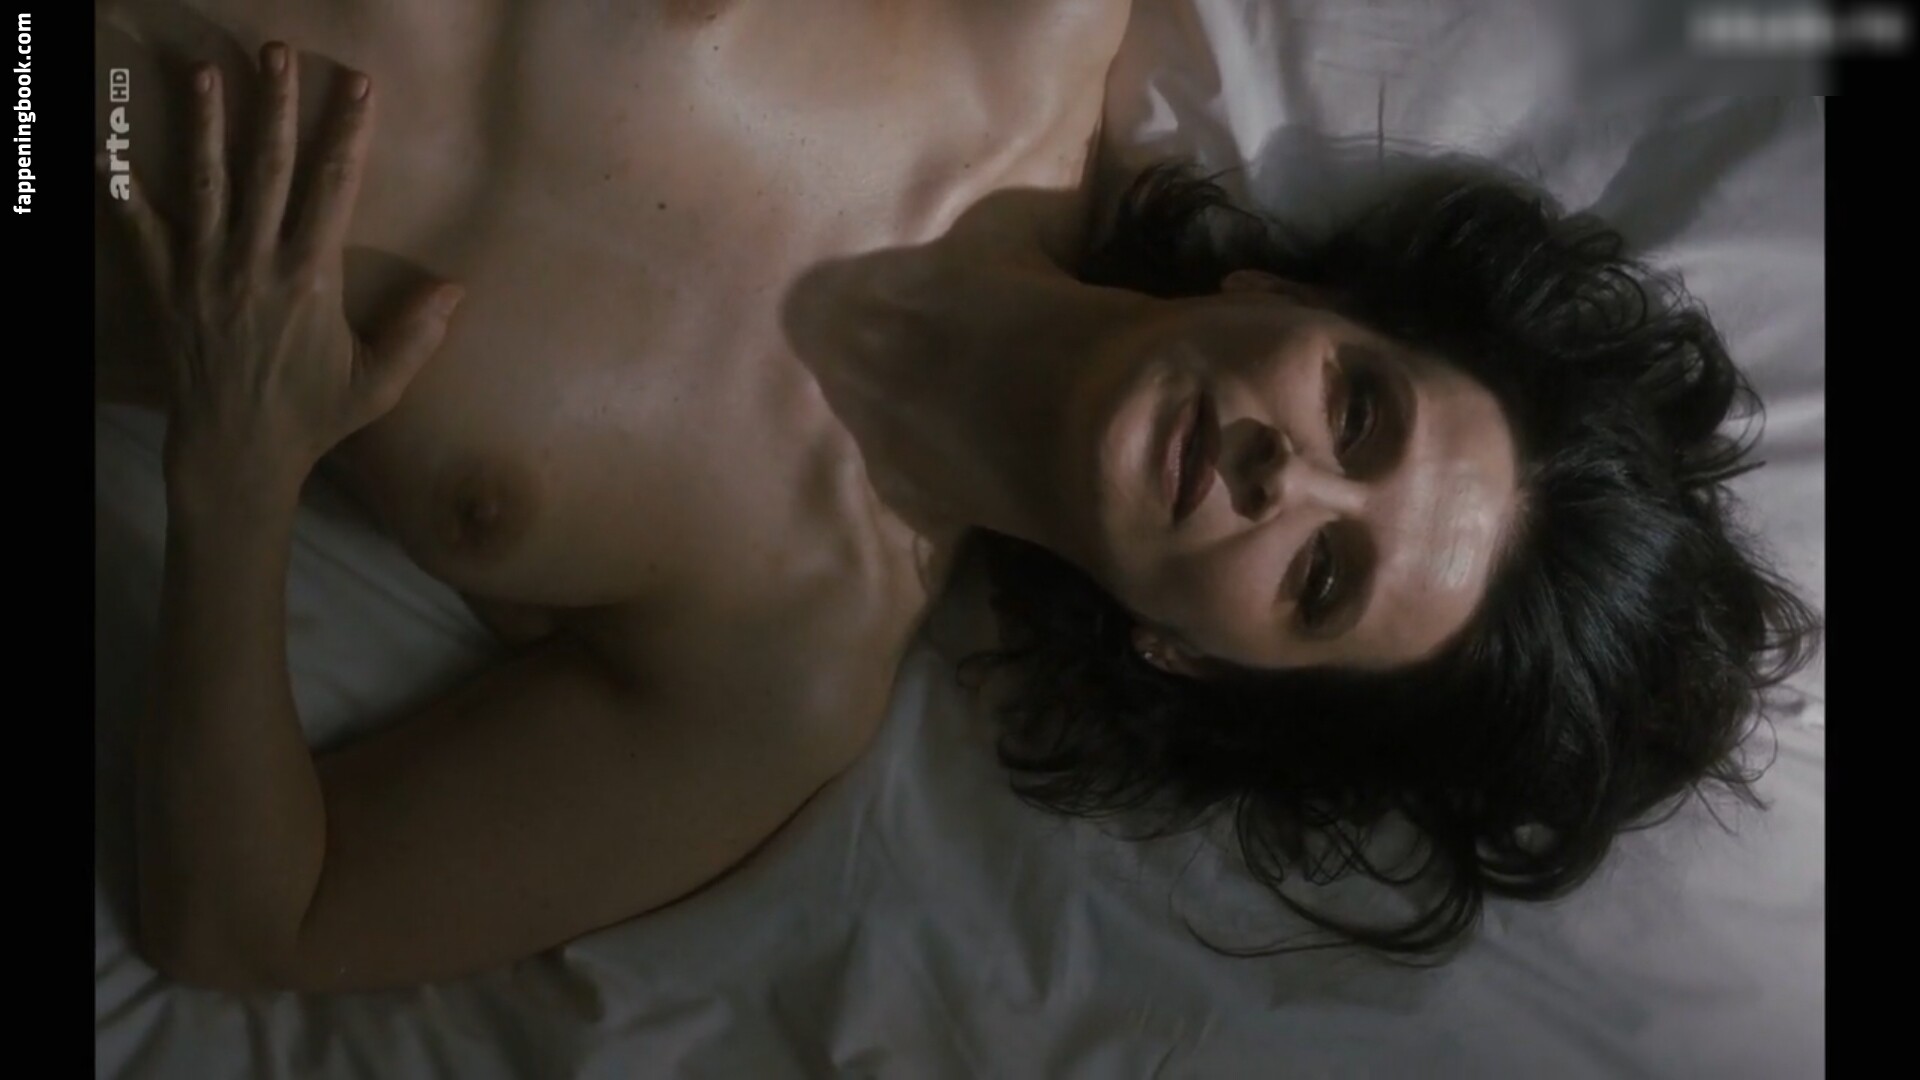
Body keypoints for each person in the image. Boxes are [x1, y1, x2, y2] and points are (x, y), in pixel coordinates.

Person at [94, 2, 1817, 992]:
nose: (1284, 476)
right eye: (1357, 409)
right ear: (1290, 294)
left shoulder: (773, 671)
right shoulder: (1019, 24)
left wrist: (238, 478)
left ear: (1200, 662)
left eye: (1321, 578)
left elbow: (250, 921)